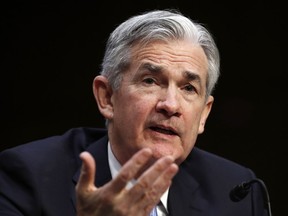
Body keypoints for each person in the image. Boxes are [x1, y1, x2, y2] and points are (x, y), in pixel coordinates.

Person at [0, 9, 268, 216]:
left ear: (204, 114)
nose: (170, 105)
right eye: (150, 81)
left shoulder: (237, 190)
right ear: (107, 97)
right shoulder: (26, 177)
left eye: (188, 88)